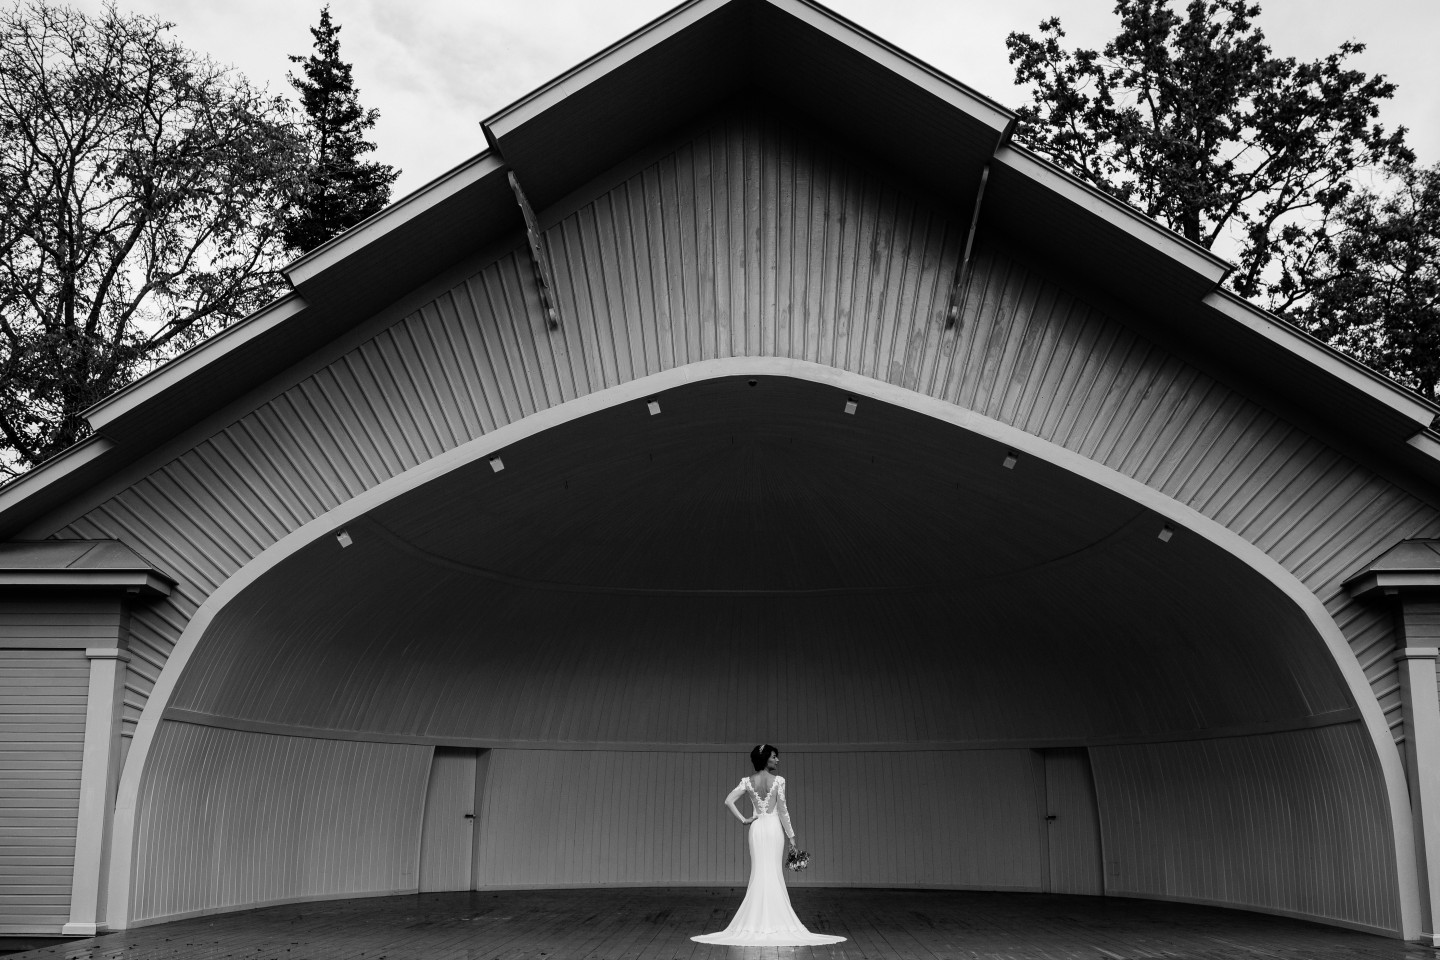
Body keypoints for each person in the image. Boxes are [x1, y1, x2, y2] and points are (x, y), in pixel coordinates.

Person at [691, 744, 846, 946]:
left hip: (756, 828)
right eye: (774, 756)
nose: (777, 760)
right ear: (765, 758)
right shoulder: (779, 781)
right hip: (773, 829)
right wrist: (791, 836)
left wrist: (744, 820)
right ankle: (776, 920)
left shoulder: (747, 781)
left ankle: (755, 921)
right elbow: (783, 810)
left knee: (759, 871)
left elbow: (728, 801)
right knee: (773, 871)